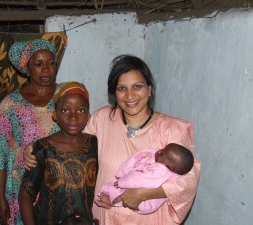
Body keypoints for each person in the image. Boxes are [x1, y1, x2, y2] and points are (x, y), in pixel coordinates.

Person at [24, 55, 201, 225]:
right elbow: (70, 139)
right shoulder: (102, 119)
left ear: (149, 89)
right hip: (106, 216)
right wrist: (35, 147)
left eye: (137, 86)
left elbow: (187, 180)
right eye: (121, 88)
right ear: (114, 93)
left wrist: (143, 194)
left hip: (149, 219)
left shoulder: (173, 129)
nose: (130, 96)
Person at [0, 39, 60, 225]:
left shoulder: (65, 97)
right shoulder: (11, 104)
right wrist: (0, 198)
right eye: (38, 64)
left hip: (57, 185)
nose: (46, 69)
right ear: (27, 68)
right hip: (19, 186)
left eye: (51, 63)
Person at [18, 81, 98, 225]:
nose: (73, 117)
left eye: (80, 110)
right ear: (55, 115)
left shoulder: (94, 145)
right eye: (65, 110)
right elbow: (25, 192)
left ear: (88, 115)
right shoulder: (44, 148)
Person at [97, 143, 194, 215]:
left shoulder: (161, 172)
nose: (159, 151)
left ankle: (112, 201)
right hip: (143, 193)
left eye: (162, 154)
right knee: (120, 190)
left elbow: (140, 179)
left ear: (169, 167)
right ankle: (111, 200)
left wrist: (122, 181)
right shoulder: (163, 161)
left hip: (147, 202)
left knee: (120, 190)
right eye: (163, 149)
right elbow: (138, 159)